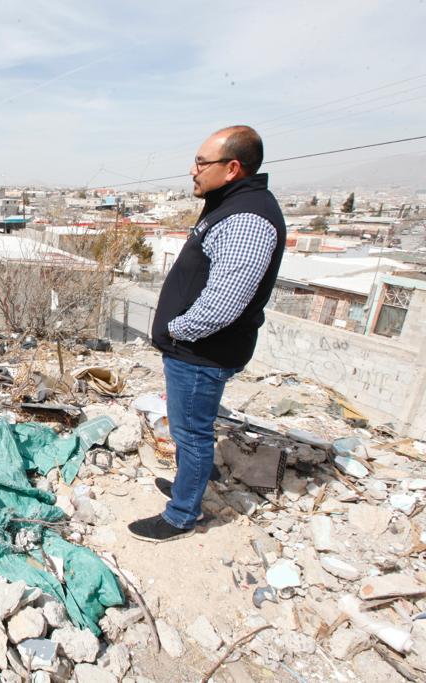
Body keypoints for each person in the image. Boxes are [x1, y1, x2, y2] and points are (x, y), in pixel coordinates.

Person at [127, 125, 286, 543]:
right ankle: (188, 487)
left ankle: (182, 514)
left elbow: (226, 301)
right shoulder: (230, 205)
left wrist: (177, 332)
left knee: (192, 434)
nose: (193, 170)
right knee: (188, 429)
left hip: (201, 353)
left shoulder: (248, 217)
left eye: (202, 162)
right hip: (196, 351)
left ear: (232, 168)